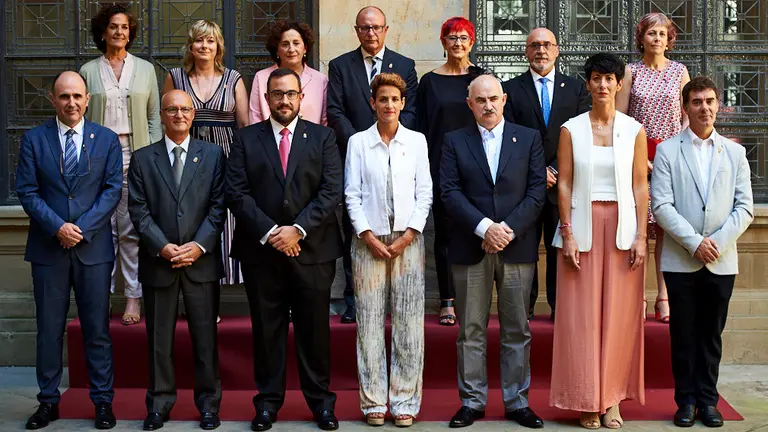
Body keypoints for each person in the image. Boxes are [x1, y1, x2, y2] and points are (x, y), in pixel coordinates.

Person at [226, 68, 343, 431]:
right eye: (277, 94)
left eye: (291, 93)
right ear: (266, 98)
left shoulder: (323, 138)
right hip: (262, 253)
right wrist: (273, 232)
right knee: (267, 331)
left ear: (301, 98)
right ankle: (267, 404)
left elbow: (331, 190)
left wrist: (298, 230)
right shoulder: (246, 139)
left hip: (313, 251)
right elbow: (236, 192)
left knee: (314, 333)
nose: (284, 100)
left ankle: (321, 404)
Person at [16, 71, 122, 430]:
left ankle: (103, 402)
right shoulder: (34, 139)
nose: (71, 103)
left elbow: (112, 190)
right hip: (48, 249)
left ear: (88, 99)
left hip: (93, 250)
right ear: (52, 98)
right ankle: (48, 402)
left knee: (97, 330)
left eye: (77, 96)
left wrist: (82, 229)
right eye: (64, 97)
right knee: (49, 329)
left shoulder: (106, 140)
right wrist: (57, 227)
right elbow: (27, 192)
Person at [441, 75, 546, 429]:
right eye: (480, 100)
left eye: (493, 99)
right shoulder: (454, 141)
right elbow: (449, 192)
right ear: (469, 104)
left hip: (517, 247)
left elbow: (536, 192)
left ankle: (517, 402)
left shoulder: (529, 139)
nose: (487, 106)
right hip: (470, 246)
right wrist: (486, 228)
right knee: (470, 329)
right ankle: (472, 402)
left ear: (504, 100)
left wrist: (506, 231)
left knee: (517, 328)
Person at [549, 53, 648, 430]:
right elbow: (565, 183)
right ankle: (585, 398)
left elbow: (641, 185)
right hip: (583, 229)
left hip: (623, 231)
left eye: (610, 79)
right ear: (587, 84)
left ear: (620, 84)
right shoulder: (571, 129)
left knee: (619, 319)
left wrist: (641, 236)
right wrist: (567, 232)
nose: (603, 85)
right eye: (596, 78)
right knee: (581, 319)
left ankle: (611, 400)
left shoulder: (633, 130)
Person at [651, 76, 753, 428]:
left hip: (722, 262)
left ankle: (709, 401)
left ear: (718, 105)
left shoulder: (736, 152)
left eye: (710, 101)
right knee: (683, 335)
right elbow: (661, 205)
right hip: (681, 260)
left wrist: (718, 243)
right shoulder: (667, 150)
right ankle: (686, 403)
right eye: (697, 102)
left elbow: (745, 207)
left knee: (711, 335)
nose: (704, 108)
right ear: (685, 107)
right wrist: (694, 242)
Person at [128, 90, 226, 431]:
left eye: (185, 109)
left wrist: (198, 245)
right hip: (160, 262)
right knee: (158, 341)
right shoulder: (143, 159)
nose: (179, 114)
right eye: (172, 109)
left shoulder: (213, 155)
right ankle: (158, 404)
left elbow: (218, 206)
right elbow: (138, 210)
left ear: (194, 114)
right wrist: (162, 246)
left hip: (201, 262)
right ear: (163, 115)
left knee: (205, 340)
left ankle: (209, 405)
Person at [345, 73, 432, 427]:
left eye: (395, 99)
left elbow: (425, 192)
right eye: (383, 99)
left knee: (409, 323)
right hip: (369, 240)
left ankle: (406, 401)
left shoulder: (417, 141)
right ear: (373, 103)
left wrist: (408, 235)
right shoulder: (358, 142)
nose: (389, 105)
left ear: (403, 103)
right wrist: (368, 236)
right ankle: (373, 401)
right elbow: (351, 194)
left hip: (408, 241)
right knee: (367, 323)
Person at [327, 5, 418, 323]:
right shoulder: (339, 66)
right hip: (356, 159)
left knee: (397, 225)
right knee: (356, 226)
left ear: (386, 30)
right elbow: (335, 111)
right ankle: (354, 300)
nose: (371, 33)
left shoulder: (405, 65)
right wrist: (364, 144)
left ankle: (394, 301)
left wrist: (388, 144)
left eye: (376, 27)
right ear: (356, 31)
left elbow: (410, 111)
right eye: (364, 28)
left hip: (397, 160)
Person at [80, 3, 162, 325]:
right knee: (102, 230)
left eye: (125, 27)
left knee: (130, 230)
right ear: (103, 32)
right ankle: (102, 297)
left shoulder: (145, 69)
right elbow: (81, 119)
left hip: (135, 154)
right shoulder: (88, 71)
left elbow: (154, 116)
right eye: (113, 26)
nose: (119, 32)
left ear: (130, 32)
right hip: (99, 158)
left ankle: (132, 298)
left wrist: (150, 154)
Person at [501, 27, 590, 321]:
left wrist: (553, 169)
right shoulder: (511, 89)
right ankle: (522, 308)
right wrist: (538, 170)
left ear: (557, 49)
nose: (541, 50)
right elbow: (508, 135)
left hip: (561, 184)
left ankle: (558, 308)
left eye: (547, 45)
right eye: (535, 45)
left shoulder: (576, 88)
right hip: (524, 185)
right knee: (523, 249)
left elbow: (580, 134)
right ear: (526, 51)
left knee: (558, 250)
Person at [162, 20, 249, 295]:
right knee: (193, 219)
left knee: (224, 218)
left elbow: (244, 126)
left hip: (226, 155)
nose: (204, 46)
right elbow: (165, 118)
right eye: (199, 40)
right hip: (187, 156)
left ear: (218, 46)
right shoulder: (175, 77)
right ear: (191, 45)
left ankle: (223, 286)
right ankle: (196, 293)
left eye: (210, 41)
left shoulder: (233, 78)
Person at [617, 12, 691, 323]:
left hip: (672, 158)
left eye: (662, 33)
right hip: (637, 157)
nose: (657, 38)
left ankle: (663, 296)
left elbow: (688, 113)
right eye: (651, 33)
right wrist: (638, 158)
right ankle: (636, 297)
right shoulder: (630, 71)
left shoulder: (680, 71)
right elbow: (620, 117)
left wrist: (678, 150)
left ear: (669, 39)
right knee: (638, 231)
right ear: (642, 38)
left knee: (665, 231)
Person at [416, 16, 485, 326]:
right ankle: (447, 301)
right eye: (452, 37)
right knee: (443, 235)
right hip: (440, 166)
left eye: (463, 37)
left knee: (475, 230)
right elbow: (420, 128)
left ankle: (475, 299)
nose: (458, 43)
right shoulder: (429, 82)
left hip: (477, 167)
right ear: (443, 42)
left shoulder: (482, 78)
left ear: (472, 42)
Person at [249, 20, 327, 125]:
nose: (291, 49)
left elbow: (325, 121)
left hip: (313, 140)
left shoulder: (320, 80)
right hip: (268, 140)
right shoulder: (261, 78)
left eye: (296, 43)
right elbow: (255, 119)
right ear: (277, 50)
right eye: (285, 44)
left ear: (305, 48)